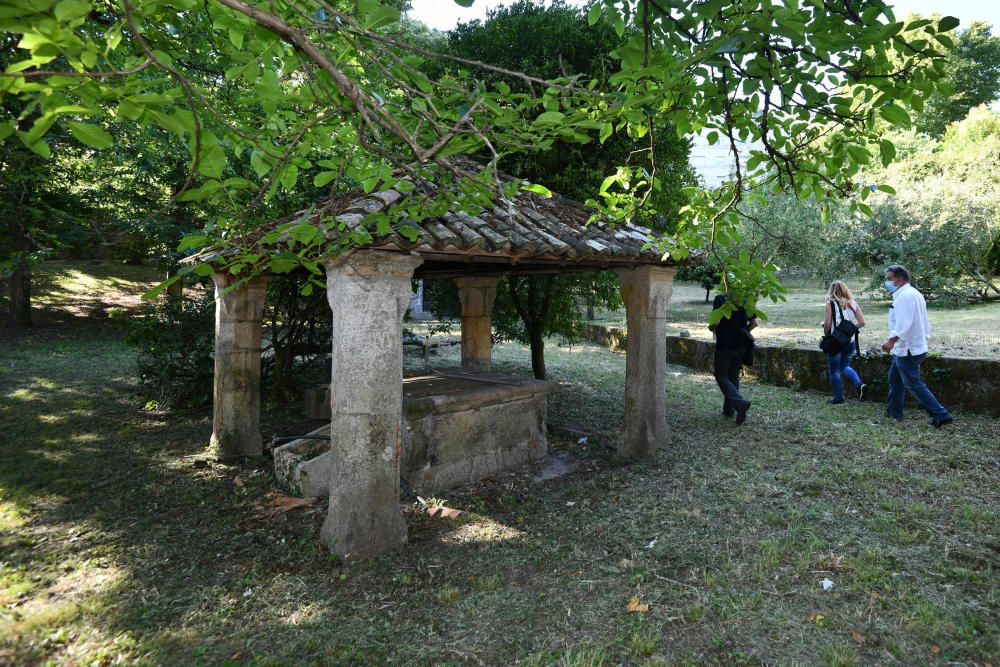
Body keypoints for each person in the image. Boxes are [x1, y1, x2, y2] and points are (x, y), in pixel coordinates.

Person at [881, 265, 954, 427]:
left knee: (912, 383)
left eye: (889, 279)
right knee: (895, 380)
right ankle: (893, 413)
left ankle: (941, 414)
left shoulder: (905, 296)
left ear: (900, 280)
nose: (886, 282)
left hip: (908, 348)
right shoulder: (912, 293)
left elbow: (903, 323)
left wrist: (891, 341)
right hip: (910, 347)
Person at [709, 293, 757, 425]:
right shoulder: (746, 297)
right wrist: (742, 333)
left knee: (721, 375)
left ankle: (739, 403)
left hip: (725, 345)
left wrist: (711, 326)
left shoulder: (720, 299)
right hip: (741, 345)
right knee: (733, 376)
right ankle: (728, 411)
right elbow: (754, 323)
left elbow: (716, 322)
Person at [823, 280, 867, 404]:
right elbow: (862, 322)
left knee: (834, 371)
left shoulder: (830, 303)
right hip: (849, 341)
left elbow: (828, 324)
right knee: (845, 366)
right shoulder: (853, 303)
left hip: (835, 342)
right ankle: (859, 384)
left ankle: (838, 398)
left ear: (832, 290)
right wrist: (849, 330)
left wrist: (826, 336)